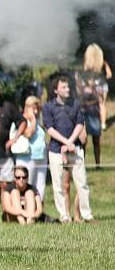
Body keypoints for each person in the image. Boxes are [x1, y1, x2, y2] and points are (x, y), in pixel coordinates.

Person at [43, 76, 94, 223]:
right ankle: (64, 216)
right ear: (55, 90)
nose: (67, 89)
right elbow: (49, 129)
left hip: (74, 148)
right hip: (56, 150)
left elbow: (79, 124)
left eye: (68, 87)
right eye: (63, 87)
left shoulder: (75, 104)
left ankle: (87, 215)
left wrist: (70, 143)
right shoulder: (48, 107)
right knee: (58, 184)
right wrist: (65, 142)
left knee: (82, 182)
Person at [14, 96, 48, 200]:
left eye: (37, 108)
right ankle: (26, 210)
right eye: (33, 108)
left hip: (41, 157)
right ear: (26, 107)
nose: (36, 111)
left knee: (40, 186)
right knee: (27, 185)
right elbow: (28, 134)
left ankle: (39, 209)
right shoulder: (22, 120)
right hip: (27, 157)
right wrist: (32, 119)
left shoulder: (38, 121)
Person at [80, 43, 111, 130]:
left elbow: (84, 74)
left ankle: (88, 122)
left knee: (88, 104)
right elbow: (109, 75)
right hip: (102, 84)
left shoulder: (87, 63)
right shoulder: (102, 62)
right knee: (102, 104)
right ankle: (103, 124)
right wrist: (103, 78)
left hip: (90, 85)